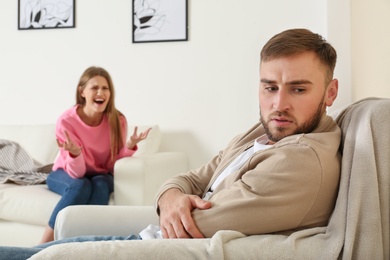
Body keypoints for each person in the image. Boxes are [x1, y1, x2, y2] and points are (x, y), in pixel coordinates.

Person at [0, 28, 341, 259]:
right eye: (269, 87)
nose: (279, 103)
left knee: (45, 247)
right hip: (120, 210)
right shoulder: (263, 132)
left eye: (298, 89)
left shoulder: (302, 160)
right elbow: (192, 176)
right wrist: (172, 194)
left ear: (330, 92)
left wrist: (169, 195)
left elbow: (198, 223)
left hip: (155, 246)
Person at [39, 66, 151, 243]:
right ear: (82, 91)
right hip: (65, 173)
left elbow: (113, 165)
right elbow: (77, 174)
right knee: (81, 185)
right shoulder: (67, 121)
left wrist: (129, 146)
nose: (101, 92)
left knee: (100, 184)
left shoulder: (117, 120)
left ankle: (87, 247)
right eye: (94, 88)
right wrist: (75, 154)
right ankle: (43, 245)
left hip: (101, 174)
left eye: (105, 88)